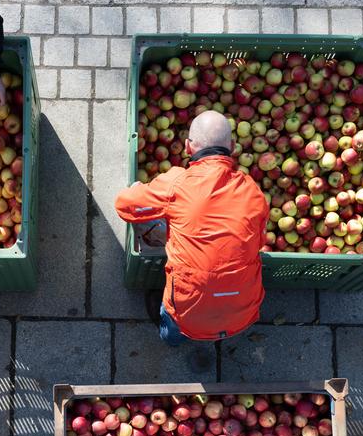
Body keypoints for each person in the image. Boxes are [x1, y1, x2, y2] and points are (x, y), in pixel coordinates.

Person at [114, 111, 269, 346]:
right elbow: (257, 242)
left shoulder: (178, 182)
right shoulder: (252, 191)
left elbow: (124, 206)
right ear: (233, 146)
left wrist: (137, 188)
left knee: (173, 321)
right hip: (244, 312)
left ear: (187, 147)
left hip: (188, 312)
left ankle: (172, 336)